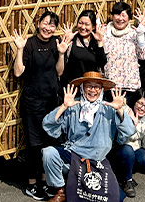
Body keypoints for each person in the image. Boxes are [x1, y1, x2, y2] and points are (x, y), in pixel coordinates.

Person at [42, 71, 134, 202]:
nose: (93, 90)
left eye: (97, 86)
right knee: (49, 153)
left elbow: (129, 132)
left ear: (101, 89)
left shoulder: (109, 107)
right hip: (74, 156)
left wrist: (119, 110)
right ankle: (60, 190)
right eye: (88, 86)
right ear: (82, 88)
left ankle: (74, 184)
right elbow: (48, 126)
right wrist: (63, 106)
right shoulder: (74, 105)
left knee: (114, 198)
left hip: (99, 160)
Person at [13, 11, 72, 200]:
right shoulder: (29, 43)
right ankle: (32, 184)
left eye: (52, 25)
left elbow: (59, 72)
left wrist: (61, 54)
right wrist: (20, 49)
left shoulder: (56, 43)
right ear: (38, 24)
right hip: (33, 101)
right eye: (45, 23)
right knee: (34, 145)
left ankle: (46, 182)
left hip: (51, 102)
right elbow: (18, 72)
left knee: (50, 144)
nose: (48, 28)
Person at [113, 89, 145, 197]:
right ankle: (127, 181)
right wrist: (132, 127)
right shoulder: (124, 112)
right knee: (128, 150)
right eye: (139, 103)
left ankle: (125, 170)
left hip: (134, 150)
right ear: (134, 102)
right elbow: (119, 140)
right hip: (120, 148)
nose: (142, 108)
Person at [103, 1, 145, 101]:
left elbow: (143, 55)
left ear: (129, 18)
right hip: (109, 86)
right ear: (112, 16)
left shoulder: (134, 33)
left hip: (130, 87)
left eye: (124, 15)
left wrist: (141, 36)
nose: (120, 18)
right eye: (117, 14)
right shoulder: (104, 33)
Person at [60, 9, 108, 87]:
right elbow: (63, 65)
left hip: (91, 88)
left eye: (87, 24)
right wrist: (66, 40)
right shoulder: (73, 40)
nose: (83, 27)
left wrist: (99, 42)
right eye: (80, 23)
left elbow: (102, 63)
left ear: (93, 27)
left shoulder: (98, 41)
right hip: (72, 88)